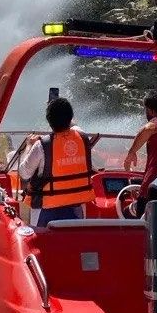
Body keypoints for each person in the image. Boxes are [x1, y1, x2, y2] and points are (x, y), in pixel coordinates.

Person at [19, 96, 95, 228]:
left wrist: (29, 146)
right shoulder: (83, 137)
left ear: (49, 120)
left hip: (46, 210)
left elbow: (24, 173)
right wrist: (59, 108)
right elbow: (73, 124)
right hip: (77, 209)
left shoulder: (41, 145)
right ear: (70, 118)